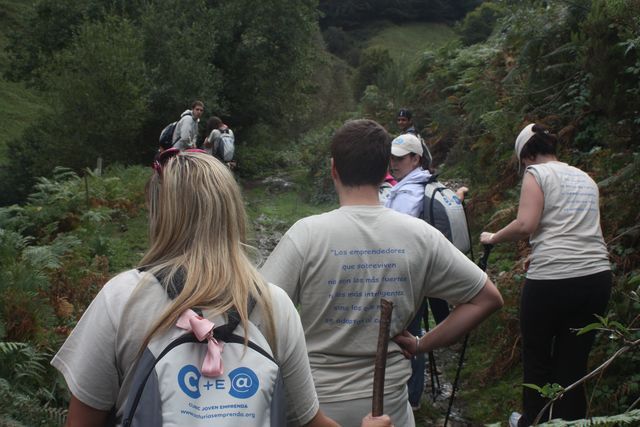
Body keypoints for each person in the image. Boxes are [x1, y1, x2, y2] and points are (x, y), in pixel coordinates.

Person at [51, 148, 392, 427]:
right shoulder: (273, 304)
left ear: (160, 214)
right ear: (232, 211)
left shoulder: (122, 298)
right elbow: (308, 422)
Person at [261, 119, 503, 426]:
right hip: (391, 409)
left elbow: (256, 314)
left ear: (334, 169)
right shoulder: (419, 235)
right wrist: (421, 344)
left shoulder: (307, 235)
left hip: (314, 408)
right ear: (384, 171)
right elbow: (488, 298)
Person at [480, 123, 612, 427]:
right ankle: (569, 422)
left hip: (552, 281)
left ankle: (532, 421)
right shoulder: (585, 178)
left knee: (537, 356)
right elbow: (575, 230)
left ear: (526, 155)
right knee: (574, 360)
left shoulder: (535, 174)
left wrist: (493, 237)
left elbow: (526, 224)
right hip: (596, 277)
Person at [383, 133, 451, 409]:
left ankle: (410, 397)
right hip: (417, 275)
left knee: (407, 334)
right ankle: (411, 395)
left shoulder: (409, 193)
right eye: (392, 157)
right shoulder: (418, 185)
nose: (394, 163)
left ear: (416, 158)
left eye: (400, 158)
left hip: (406, 277)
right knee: (413, 330)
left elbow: (398, 236)